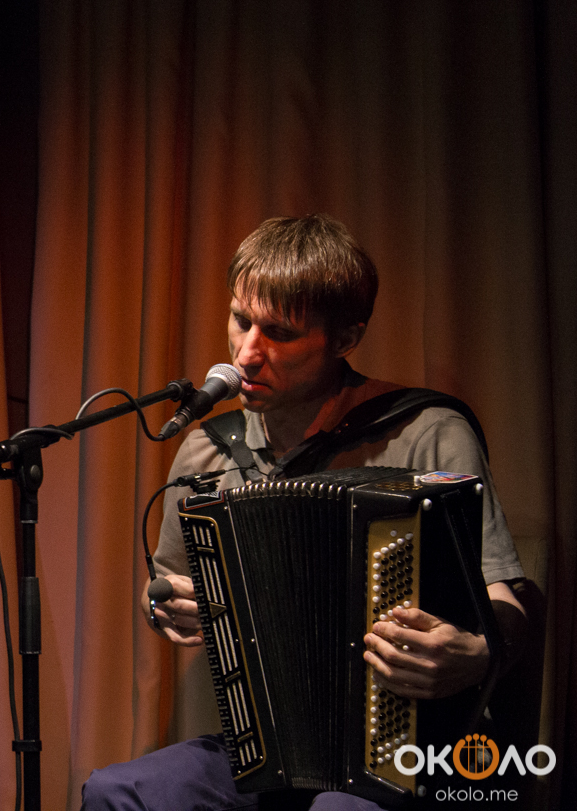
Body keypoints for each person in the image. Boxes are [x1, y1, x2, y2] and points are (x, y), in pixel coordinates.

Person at [82, 215, 530, 810]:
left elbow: (506, 597)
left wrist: (475, 656)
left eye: (280, 333)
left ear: (345, 339)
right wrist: (164, 605)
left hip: (415, 747)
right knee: (117, 792)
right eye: (240, 321)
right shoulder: (207, 452)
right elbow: (164, 584)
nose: (247, 353)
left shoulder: (427, 433)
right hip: (271, 747)